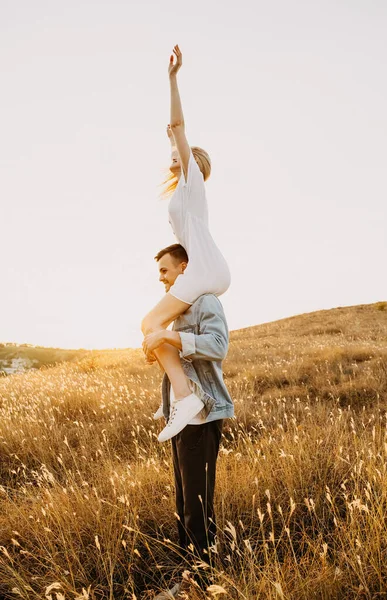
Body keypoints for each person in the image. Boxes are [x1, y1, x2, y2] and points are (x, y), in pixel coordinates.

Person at [140, 44, 231, 443]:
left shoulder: (192, 183)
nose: (173, 155)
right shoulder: (185, 195)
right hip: (205, 270)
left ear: (192, 160)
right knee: (156, 328)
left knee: (150, 324)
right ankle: (179, 396)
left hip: (209, 271)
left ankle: (185, 397)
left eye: (180, 153)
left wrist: (172, 79)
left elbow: (177, 126)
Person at [143, 243, 234, 599]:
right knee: (184, 502)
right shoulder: (179, 310)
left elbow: (218, 345)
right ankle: (189, 574)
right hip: (183, 417)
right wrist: (162, 347)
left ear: (185, 267)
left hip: (203, 415)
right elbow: (184, 361)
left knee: (197, 505)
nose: (162, 279)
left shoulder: (205, 301)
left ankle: (200, 583)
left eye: (165, 270)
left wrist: (168, 335)